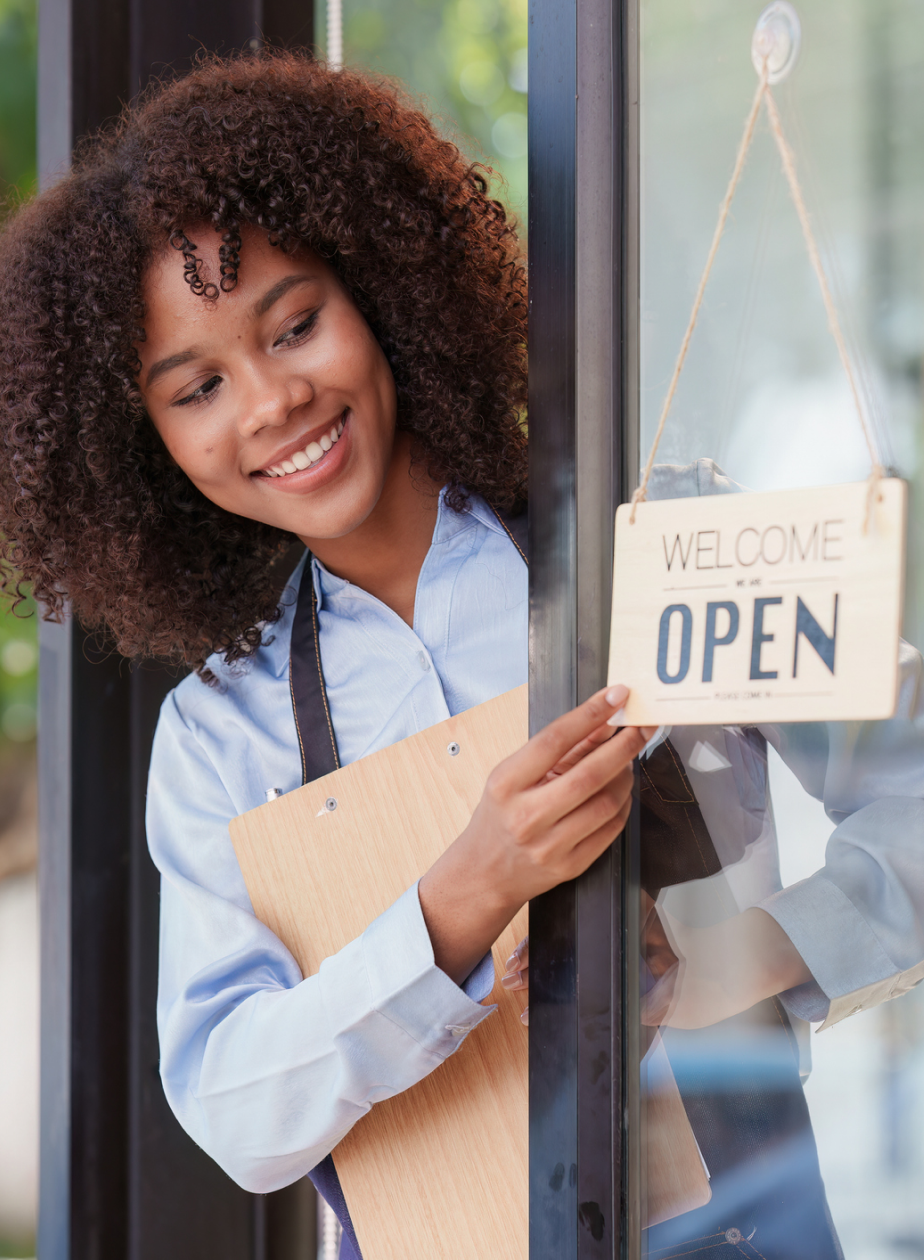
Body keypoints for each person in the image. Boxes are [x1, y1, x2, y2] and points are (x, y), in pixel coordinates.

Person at [0, 51, 651, 1258]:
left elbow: (873, 822)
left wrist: (723, 951)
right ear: (145, 448)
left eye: (296, 325)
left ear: (383, 289)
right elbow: (239, 1108)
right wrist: (461, 901)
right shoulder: (219, 734)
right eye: (195, 388)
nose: (269, 404)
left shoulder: (623, 557)